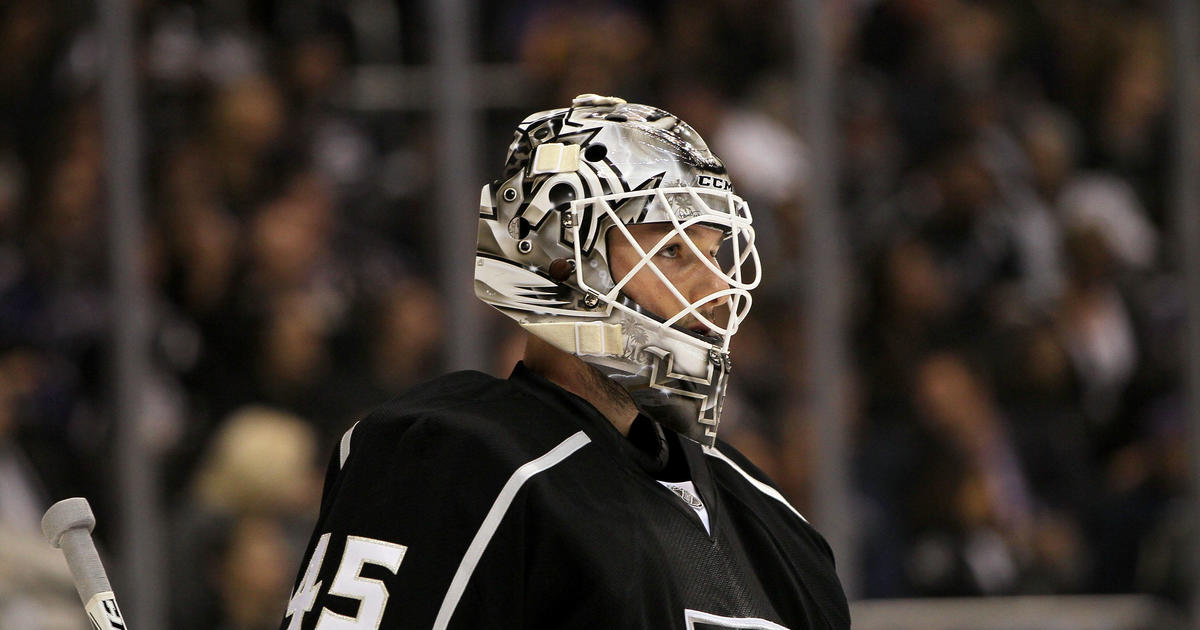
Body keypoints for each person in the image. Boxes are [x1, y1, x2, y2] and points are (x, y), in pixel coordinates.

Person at [278, 94, 849, 630]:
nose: (719, 290)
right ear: (562, 265)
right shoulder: (456, 460)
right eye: (673, 250)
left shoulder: (777, 525)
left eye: (716, 250)